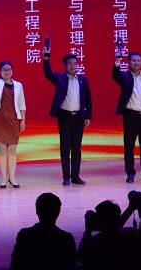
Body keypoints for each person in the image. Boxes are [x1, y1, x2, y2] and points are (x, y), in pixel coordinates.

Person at [43, 48, 92, 186]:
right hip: (64, 116)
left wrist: (88, 116)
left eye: (75, 64)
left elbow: (88, 100)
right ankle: (66, 177)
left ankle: (75, 176)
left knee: (76, 148)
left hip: (78, 118)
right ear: (64, 65)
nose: (73, 66)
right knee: (65, 148)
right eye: (70, 64)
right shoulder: (59, 78)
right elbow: (47, 73)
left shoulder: (83, 80)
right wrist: (46, 57)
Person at [112, 51, 141, 183]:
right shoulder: (124, 76)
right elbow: (115, 75)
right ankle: (130, 173)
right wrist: (117, 61)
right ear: (128, 62)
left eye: (139, 60)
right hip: (130, 116)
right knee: (129, 147)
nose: (136, 63)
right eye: (134, 60)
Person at [0, 46, 26, 188]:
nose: (7, 72)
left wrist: (23, 119)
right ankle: (3, 179)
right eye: (4, 70)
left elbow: (22, 103)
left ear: (12, 71)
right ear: (0, 72)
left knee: (12, 150)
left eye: (9, 69)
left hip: (14, 120)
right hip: (0, 120)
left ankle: (12, 178)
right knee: (2, 150)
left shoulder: (19, 85)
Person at [10, 192, 76, 270]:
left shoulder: (24, 236)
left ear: (37, 211)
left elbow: (15, 265)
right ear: (58, 212)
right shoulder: (66, 239)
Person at [76, 200, 133, 269]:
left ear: (98, 221)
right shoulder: (128, 238)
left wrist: (87, 231)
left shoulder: (92, 243)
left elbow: (80, 257)